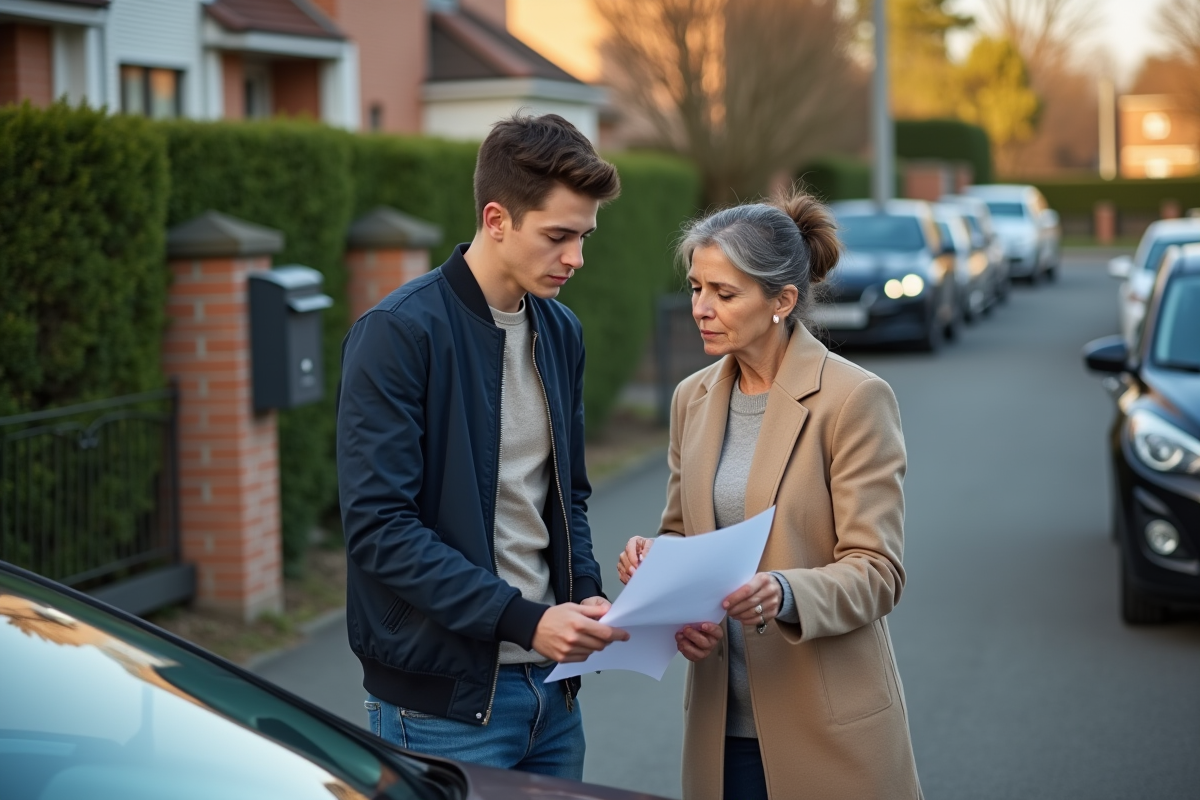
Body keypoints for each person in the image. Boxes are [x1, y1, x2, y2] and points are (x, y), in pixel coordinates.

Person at [337, 113, 627, 780]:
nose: (576, 258)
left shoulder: (561, 332)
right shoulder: (397, 334)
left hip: (553, 693)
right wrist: (524, 620)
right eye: (557, 236)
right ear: (496, 219)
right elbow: (380, 530)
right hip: (441, 707)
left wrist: (585, 593)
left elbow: (568, 496)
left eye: (583, 237)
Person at [617, 190, 922, 799]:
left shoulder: (854, 399)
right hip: (720, 730)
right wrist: (658, 565)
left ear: (782, 301)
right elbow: (683, 532)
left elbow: (878, 571)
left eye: (723, 293)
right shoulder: (691, 399)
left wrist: (784, 592)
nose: (700, 308)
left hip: (828, 730)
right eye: (695, 287)